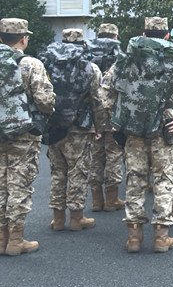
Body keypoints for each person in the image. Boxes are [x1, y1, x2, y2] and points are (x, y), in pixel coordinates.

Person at [99, 17, 173, 253]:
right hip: (165, 126)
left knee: (135, 179)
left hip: (132, 127)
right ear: (167, 35)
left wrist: (116, 118)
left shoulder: (128, 57)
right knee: (164, 180)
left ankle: (134, 238)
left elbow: (105, 89)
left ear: (144, 33)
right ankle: (161, 237)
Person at [0, 18, 55, 255]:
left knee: (1, 184)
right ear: (23, 39)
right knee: (19, 184)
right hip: (23, 134)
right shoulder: (30, 64)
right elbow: (44, 100)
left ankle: (1, 237)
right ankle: (15, 240)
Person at [40, 28, 104, 232]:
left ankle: (58, 219)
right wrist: (100, 126)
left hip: (53, 126)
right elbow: (97, 100)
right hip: (79, 127)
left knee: (57, 171)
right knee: (78, 171)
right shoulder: (90, 68)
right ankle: (77, 218)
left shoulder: (47, 64)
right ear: (82, 44)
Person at [87, 22, 125, 212]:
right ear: (115, 36)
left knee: (95, 155)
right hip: (113, 112)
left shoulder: (87, 54)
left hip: (92, 113)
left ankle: (96, 200)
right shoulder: (120, 56)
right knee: (113, 154)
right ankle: (112, 199)